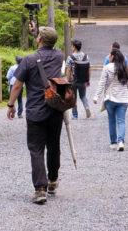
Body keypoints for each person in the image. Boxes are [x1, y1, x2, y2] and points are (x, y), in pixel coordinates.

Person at [6, 26, 65, 204]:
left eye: (38, 35)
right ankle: (53, 180)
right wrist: (37, 32)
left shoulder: (29, 60)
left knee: (36, 149)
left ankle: (40, 189)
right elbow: (47, 43)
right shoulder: (59, 55)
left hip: (35, 111)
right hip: (55, 109)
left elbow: (17, 85)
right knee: (54, 146)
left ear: (39, 39)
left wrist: (10, 105)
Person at [93, 44, 128, 151]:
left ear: (113, 57)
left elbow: (102, 83)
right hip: (123, 99)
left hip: (110, 99)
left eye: (110, 55)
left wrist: (96, 96)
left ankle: (113, 142)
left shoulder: (107, 68)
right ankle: (121, 142)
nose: (109, 57)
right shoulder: (124, 68)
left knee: (111, 120)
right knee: (121, 121)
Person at [64, 39, 92, 119]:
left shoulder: (70, 57)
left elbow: (68, 69)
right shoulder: (86, 56)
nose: (71, 47)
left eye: (72, 46)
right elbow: (89, 69)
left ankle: (75, 115)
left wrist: (68, 79)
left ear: (74, 47)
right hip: (83, 80)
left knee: (74, 97)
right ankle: (86, 107)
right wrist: (88, 79)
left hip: (73, 80)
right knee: (83, 96)